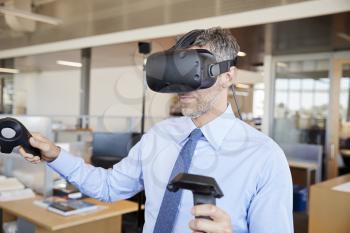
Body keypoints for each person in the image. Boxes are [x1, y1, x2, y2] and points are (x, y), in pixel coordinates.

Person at [19, 27, 293, 233]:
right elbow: (108, 187)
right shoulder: (160, 136)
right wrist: (55, 155)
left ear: (227, 76)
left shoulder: (264, 157)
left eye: (193, 70)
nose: (181, 85)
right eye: (176, 70)